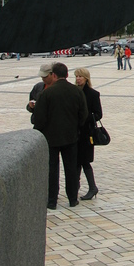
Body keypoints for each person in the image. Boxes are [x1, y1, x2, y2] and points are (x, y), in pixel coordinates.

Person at [32, 62, 88, 209]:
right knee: (71, 169)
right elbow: (83, 115)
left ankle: (52, 201)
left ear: (54, 75)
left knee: (52, 170)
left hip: (51, 138)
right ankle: (72, 198)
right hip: (71, 137)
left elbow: (39, 118)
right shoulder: (76, 92)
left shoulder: (47, 93)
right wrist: (76, 127)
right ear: (67, 74)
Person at [75, 68, 103, 200]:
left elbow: (98, 114)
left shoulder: (93, 94)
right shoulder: (73, 92)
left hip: (87, 133)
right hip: (74, 132)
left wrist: (85, 117)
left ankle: (92, 187)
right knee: (76, 161)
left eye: (80, 76)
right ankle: (75, 186)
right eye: (76, 76)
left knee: (84, 161)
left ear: (86, 78)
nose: (78, 78)